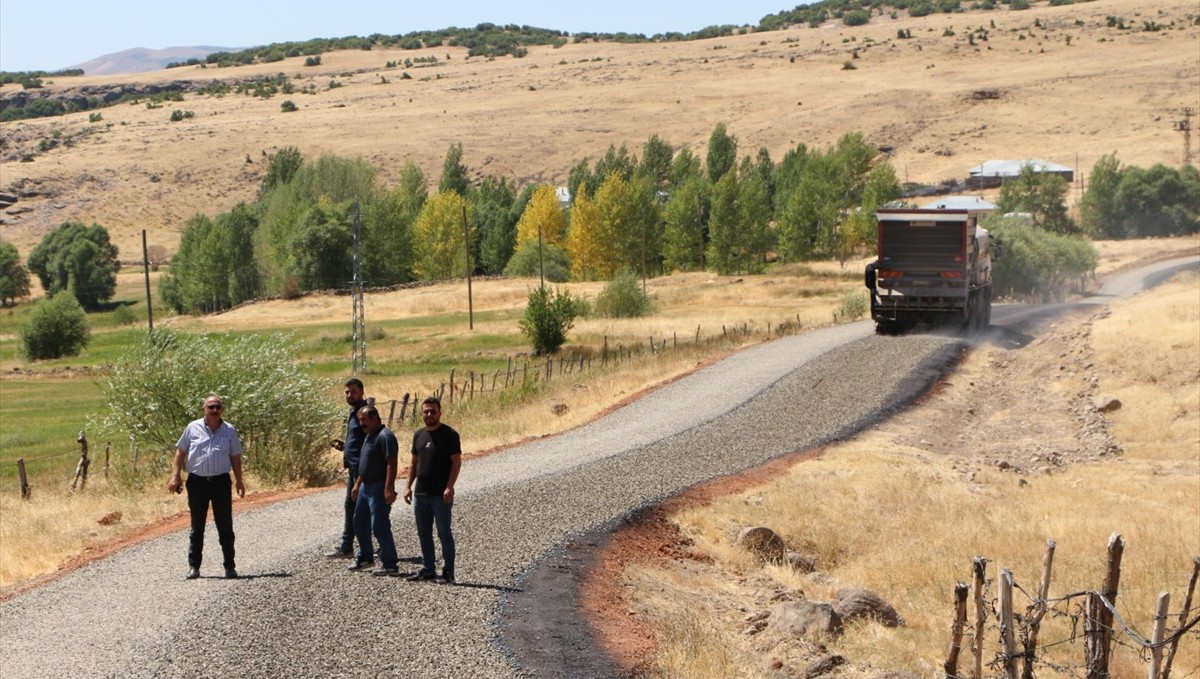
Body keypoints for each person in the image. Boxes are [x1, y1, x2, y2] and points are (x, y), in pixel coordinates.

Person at [168, 393, 246, 580]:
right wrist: (175, 476)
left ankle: (230, 567)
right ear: (204, 408)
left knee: (225, 526)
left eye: (218, 407)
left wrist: (239, 480)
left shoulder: (229, 430)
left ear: (222, 409)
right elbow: (180, 452)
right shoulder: (192, 428)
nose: (214, 410)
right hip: (197, 482)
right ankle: (194, 567)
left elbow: (235, 457)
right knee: (197, 527)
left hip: (221, 482)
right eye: (210, 407)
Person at [403, 396, 461, 584]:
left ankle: (448, 572)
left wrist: (450, 487)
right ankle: (428, 569)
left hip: (440, 495)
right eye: (426, 411)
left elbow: (456, 462)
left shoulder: (450, 435)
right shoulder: (418, 435)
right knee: (423, 533)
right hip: (421, 494)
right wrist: (407, 486)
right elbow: (413, 464)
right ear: (421, 413)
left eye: (433, 411)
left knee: (444, 533)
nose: (429, 414)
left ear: (440, 413)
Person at [349, 404, 401, 576]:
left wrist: (388, 488)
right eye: (359, 421)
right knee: (359, 522)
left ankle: (390, 563)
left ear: (375, 418)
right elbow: (365, 464)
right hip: (365, 486)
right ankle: (365, 556)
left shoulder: (385, 437)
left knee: (379, 525)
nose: (361, 424)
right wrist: (357, 485)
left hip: (379, 486)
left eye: (364, 420)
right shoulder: (369, 435)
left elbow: (391, 463)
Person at [326, 378, 369, 559]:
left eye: (353, 391)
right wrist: (345, 447)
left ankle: (366, 547)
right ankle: (348, 546)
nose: (349, 395)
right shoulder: (353, 413)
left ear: (361, 392)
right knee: (351, 507)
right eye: (347, 392)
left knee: (364, 509)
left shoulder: (364, 413)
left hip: (362, 470)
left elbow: (370, 441)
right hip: (353, 469)